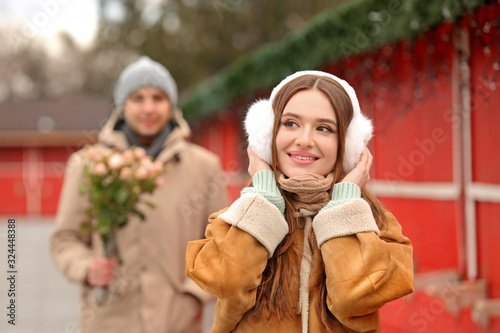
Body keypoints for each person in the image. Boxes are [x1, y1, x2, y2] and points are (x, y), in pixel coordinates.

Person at [186, 70, 414, 332]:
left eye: (324, 128)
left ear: (348, 146)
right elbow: (226, 281)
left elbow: (354, 298)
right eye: (291, 123)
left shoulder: (376, 226)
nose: (304, 140)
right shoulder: (237, 219)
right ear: (268, 135)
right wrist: (265, 200)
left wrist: (344, 208)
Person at [50, 56, 228, 333]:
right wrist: (86, 267)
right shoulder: (89, 164)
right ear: (123, 105)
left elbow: (221, 244)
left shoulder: (204, 167)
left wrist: (194, 296)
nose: (149, 108)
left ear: (171, 104)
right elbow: (65, 239)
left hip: (178, 322)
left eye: (158, 98)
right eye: (137, 98)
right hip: (108, 320)